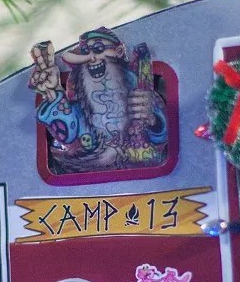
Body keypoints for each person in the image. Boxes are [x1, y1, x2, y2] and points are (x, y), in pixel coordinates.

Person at [29, 27, 168, 174]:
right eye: (84, 52)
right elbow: (68, 132)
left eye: (98, 48)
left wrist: (153, 120)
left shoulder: (141, 91)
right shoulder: (82, 106)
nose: (92, 58)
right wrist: (52, 92)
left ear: (119, 52)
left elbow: (161, 134)